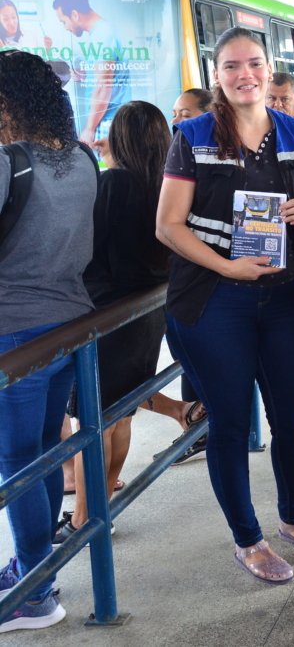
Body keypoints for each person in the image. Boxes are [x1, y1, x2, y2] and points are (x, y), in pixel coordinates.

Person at [156, 27, 294, 585]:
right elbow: (167, 226)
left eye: (253, 63)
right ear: (217, 75)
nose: (245, 75)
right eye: (231, 66)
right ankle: (247, 538)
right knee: (232, 424)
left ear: (268, 65)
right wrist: (229, 266)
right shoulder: (191, 135)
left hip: (286, 299)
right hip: (216, 300)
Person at [54, 101, 206, 544]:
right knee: (119, 416)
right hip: (147, 311)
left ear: (117, 139)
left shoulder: (111, 183)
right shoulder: (167, 183)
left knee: (93, 422)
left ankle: (85, 519)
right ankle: (102, 503)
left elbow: (86, 248)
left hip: (105, 314)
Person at [0, 50, 99, 633]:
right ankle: (36, 573)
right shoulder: (83, 159)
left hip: (14, 336)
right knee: (41, 457)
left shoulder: (10, 162)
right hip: (69, 329)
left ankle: (36, 591)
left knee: (19, 466)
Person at [52, 0, 129, 147]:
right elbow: (106, 77)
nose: (66, 28)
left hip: (107, 121)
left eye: (63, 21)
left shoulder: (103, 35)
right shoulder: (100, 33)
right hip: (107, 119)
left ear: (74, 14)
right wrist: (85, 76)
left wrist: (89, 128)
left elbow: (103, 87)